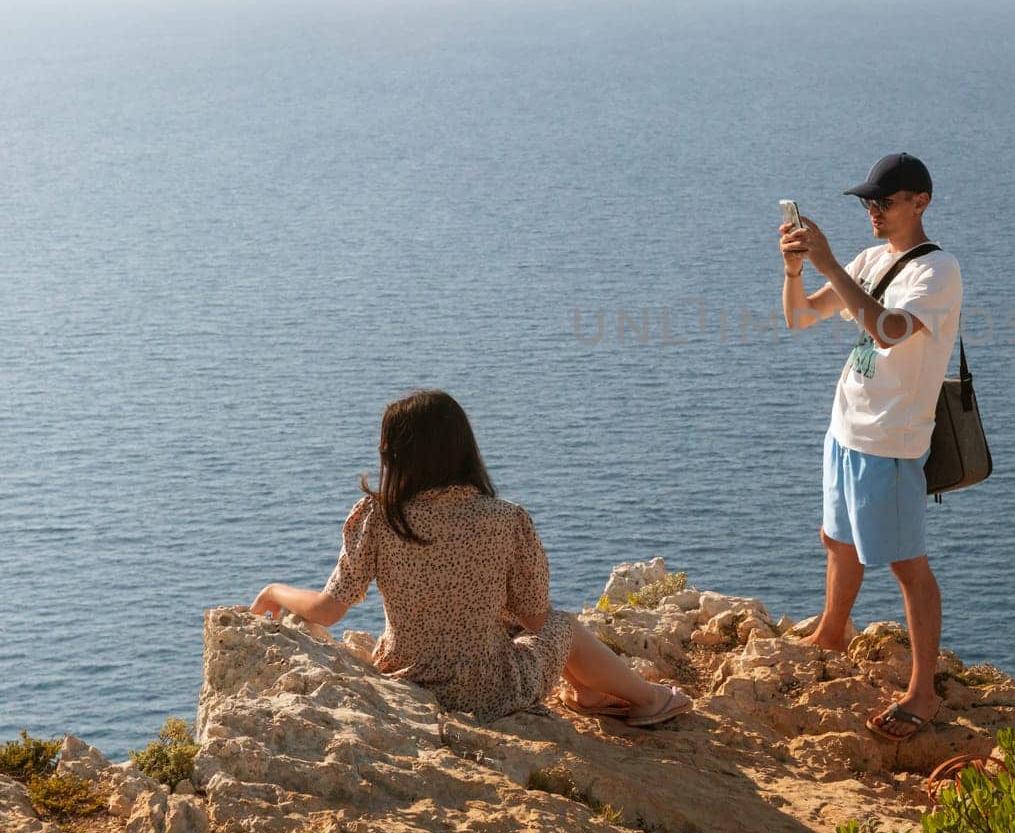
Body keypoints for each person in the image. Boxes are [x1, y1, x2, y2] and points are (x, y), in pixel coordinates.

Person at [249, 390, 691, 727]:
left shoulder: (379, 516)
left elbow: (328, 611)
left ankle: (591, 696)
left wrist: (274, 591)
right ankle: (649, 701)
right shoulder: (505, 519)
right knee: (562, 626)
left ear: (395, 456)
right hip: (489, 693)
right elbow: (536, 619)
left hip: (409, 680)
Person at [778, 153, 963, 741]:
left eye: (882, 202)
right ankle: (833, 631)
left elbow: (886, 332)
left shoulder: (936, 272)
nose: (873, 212)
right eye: (867, 203)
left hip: (891, 439)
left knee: (909, 567)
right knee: (837, 538)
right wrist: (796, 272)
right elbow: (800, 319)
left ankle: (923, 692)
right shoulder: (870, 260)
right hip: (847, 429)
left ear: (920, 203)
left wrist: (829, 263)